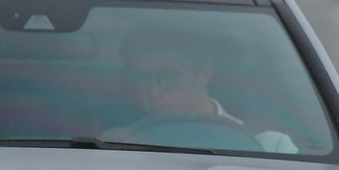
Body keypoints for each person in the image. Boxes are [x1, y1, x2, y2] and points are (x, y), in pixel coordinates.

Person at [105, 31, 299, 153]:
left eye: (168, 77)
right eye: (142, 78)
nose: (153, 91)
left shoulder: (270, 146)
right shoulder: (115, 144)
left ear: (205, 72)